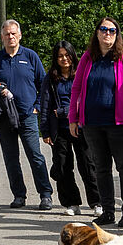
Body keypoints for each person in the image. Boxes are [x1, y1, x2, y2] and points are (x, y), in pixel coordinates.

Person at [68, 15, 123, 229]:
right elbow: (76, 89)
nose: (107, 34)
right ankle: (108, 212)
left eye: (112, 30)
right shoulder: (87, 58)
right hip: (92, 123)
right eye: (103, 29)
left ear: (117, 34)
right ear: (97, 32)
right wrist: (73, 118)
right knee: (101, 168)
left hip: (120, 124)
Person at [0, 20, 53, 210]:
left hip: (27, 115)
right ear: (2, 37)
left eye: (13, 33)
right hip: (4, 118)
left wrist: (37, 106)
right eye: (7, 34)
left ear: (20, 35)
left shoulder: (30, 56)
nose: (10, 37)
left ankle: (45, 195)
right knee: (11, 158)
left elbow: (44, 84)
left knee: (35, 155)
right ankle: (19, 195)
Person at [40, 40, 100, 216]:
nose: (64, 59)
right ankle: (71, 203)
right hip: (59, 130)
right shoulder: (50, 78)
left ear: (73, 56)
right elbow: (44, 104)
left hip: (81, 126)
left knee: (88, 164)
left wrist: (63, 111)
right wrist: (45, 131)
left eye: (67, 55)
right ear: (55, 59)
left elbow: (87, 100)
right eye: (60, 56)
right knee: (63, 166)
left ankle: (97, 202)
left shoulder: (81, 74)